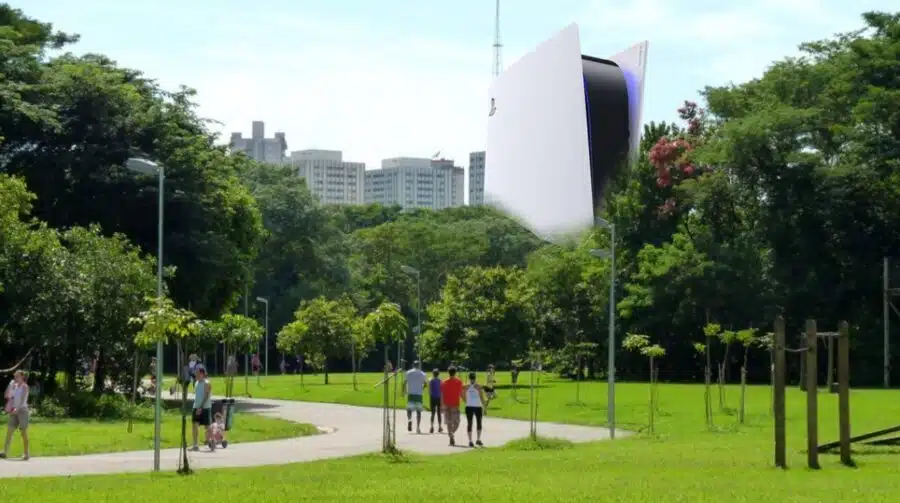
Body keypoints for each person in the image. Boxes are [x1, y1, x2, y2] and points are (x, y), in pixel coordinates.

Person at [1, 370, 30, 460]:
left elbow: (23, 399)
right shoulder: (14, 386)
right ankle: (5, 452)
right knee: (9, 431)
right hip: (14, 411)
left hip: (22, 411)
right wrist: (10, 385)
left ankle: (26, 454)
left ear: (22, 377)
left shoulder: (25, 387)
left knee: (23, 433)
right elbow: (7, 396)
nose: (15, 378)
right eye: (15, 376)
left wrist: (17, 409)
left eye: (17, 376)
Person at [191, 366, 214, 451]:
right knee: (194, 425)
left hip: (205, 408)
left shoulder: (207, 383)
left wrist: (200, 407)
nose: (195, 374)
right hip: (196, 406)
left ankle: (212, 441)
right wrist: (196, 407)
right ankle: (195, 445)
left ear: (202, 373)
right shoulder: (196, 383)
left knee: (207, 426)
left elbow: (206, 396)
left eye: (197, 372)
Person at [440, 366, 463, 446]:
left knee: (449, 422)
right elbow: (461, 393)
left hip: (446, 404)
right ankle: (452, 433)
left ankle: (450, 436)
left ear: (448, 372)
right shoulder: (459, 381)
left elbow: (442, 395)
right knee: (457, 422)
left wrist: (441, 405)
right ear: (455, 372)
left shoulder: (444, 382)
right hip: (455, 404)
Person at [464, 371, 488, 448]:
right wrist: (485, 408)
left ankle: (471, 441)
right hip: (477, 406)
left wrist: (465, 400)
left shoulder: (466, 386)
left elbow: (461, 393)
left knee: (470, 423)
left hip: (470, 406)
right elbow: (482, 398)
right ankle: (477, 439)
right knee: (478, 423)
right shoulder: (478, 386)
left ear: (469, 378)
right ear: (475, 378)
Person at [404, 361, 427, 434]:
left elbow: (404, 383)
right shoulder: (423, 374)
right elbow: (425, 384)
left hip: (411, 393)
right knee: (418, 411)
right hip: (419, 394)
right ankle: (418, 427)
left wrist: (404, 391)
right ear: (419, 365)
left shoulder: (408, 373)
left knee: (409, 409)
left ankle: (409, 420)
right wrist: (422, 388)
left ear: (413, 365)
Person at [428, 369, 443, 434]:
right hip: (438, 398)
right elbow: (441, 391)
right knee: (439, 413)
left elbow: (429, 391)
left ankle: (431, 427)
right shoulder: (440, 381)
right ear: (438, 374)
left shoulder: (431, 380)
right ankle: (439, 427)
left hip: (432, 398)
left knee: (433, 413)